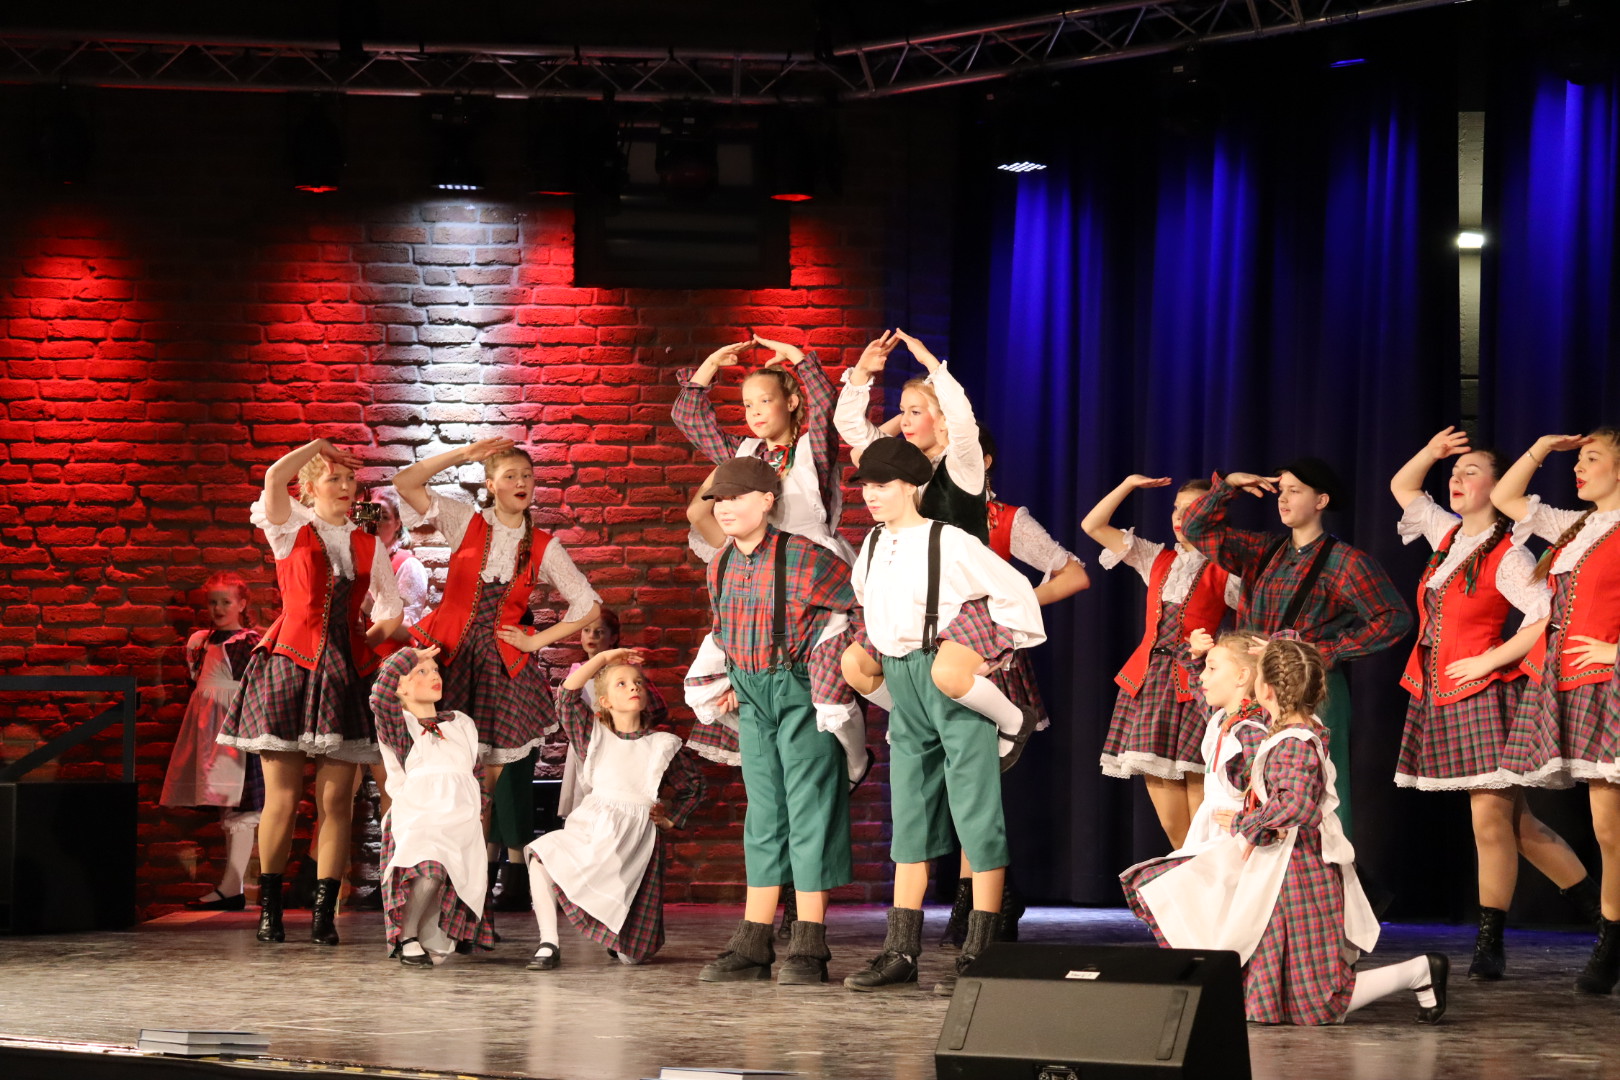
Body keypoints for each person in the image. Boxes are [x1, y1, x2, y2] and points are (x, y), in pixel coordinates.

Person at [1124, 639, 1449, 1025]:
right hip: (1282, 866)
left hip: (1301, 871)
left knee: (1317, 1002)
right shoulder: (1289, 733)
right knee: (1278, 989)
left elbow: (1296, 805)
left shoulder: (1293, 741)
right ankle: (1417, 973)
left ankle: (1419, 971)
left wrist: (1246, 823)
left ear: (1265, 689)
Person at [1390, 428, 1599, 979]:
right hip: (1441, 692)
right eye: (1455, 474)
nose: (1456, 480)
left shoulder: (1508, 554)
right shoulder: (1446, 536)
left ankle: (1490, 942)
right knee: (1519, 827)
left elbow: (1544, 616)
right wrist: (1431, 452)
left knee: (1491, 824)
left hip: (1485, 696)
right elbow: (1403, 487)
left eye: (1471, 472)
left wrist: (1488, 660)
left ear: (1496, 486)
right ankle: (1604, 922)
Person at [839, 438, 1045, 996]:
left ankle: (981, 949)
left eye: (882, 485)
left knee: (976, 818)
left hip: (945, 681)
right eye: (866, 485)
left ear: (912, 487)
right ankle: (900, 951)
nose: (871, 495)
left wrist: (990, 647)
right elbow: (870, 605)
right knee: (909, 822)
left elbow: (1014, 591)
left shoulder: (948, 540)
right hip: (905, 685)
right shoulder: (873, 543)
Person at [217, 437, 404, 947]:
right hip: (289, 667)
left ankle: (324, 914)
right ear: (311, 487)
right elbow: (273, 478)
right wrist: (319, 445)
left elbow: (391, 609)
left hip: (343, 677)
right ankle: (270, 911)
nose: (345, 487)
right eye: (333, 478)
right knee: (281, 799)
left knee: (337, 801)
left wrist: (363, 642)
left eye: (350, 480)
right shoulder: (289, 526)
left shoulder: (367, 544)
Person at [693, 457, 861, 986]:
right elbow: (723, 630)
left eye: (736, 497)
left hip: (802, 693)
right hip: (752, 696)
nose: (724, 507)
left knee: (810, 811)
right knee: (764, 816)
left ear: (767, 500)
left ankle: (809, 943)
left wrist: (832, 668)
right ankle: (754, 940)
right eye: (719, 499)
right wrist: (727, 680)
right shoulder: (719, 564)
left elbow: (860, 610)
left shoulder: (807, 557)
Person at [1180, 457, 1413, 831]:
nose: (1283, 499)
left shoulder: (1345, 562)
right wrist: (1229, 485)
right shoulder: (1263, 550)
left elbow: (1394, 618)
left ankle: (1322, 866)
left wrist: (1322, 652)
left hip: (1309, 687)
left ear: (1321, 501)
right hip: (1254, 685)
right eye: (1281, 491)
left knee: (1315, 792)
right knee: (1250, 786)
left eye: (1295, 491)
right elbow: (1196, 527)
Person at [392, 438, 602, 821]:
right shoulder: (465, 521)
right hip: (448, 657)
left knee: (488, 782)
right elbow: (405, 483)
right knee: (440, 765)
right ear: (491, 485)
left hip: (498, 668)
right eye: (510, 476)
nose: (521, 482)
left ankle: (487, 853)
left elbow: (589, 606)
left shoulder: (542, 545)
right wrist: (462, 454)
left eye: (527, 475)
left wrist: (536, 642)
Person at [937, 429, 1091, 949]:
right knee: (956, 783)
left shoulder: (1005, 520)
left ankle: (983, 901)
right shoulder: (929, 519)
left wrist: (1009, 608)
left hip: (990, 659)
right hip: (939, 657)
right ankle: (984, 896)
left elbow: (1073, 575)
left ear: (984, 460)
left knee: (980, 784)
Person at [1493, 427, 1620, 994]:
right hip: (1570, 684)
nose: (1579, 467)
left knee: (1611, 827)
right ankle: (1612, 938)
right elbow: (1505, 497)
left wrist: (1616, 650)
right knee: (1606, 828)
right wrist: (1543, 448)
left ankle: (1611, 942)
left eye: (1592, 458)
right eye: (1579, 459)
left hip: (1609, 683)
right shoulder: (1576, 526)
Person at [1083, 474, 1241, 847]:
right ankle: (1187, 874)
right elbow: (1093, 526)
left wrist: (1213, 648)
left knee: (1202, 805)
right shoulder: (1157, 558)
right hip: (1149, 683)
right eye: (1176, 508)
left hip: (1197, 684)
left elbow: (1255, 623)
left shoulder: (1225, 569)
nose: (1179, 516)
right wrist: (1126, 485)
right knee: (1172, 819)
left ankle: (1209, 875)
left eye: (1191, 509)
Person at [525, 648, 704, 970]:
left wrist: (670, 819)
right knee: (541, 856)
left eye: (638, 682)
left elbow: (693, 787)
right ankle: (548, 943)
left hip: (634, 840)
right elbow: (566, 697)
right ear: (604, 700)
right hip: (593, 829)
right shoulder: (593, 736)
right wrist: (605, 659)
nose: (633, 686)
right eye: (621, 683)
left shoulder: (662, 744)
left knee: (632, 957)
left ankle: (619, 938)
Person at [370, 645, 494, 967]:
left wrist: (480, 805)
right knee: (430, 869)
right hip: (420, 816)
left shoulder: (460, 723)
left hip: (459, 819)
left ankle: (434, 932)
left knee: (450, 879)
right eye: (421, 672)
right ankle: (407, 936)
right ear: (400, 686)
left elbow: (474, 770)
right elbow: (379, 697)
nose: (434, 676)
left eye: (435, 669)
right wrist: (408, 655)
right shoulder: (401, 726)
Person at [161, 572, 264, 911]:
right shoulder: (200, 641)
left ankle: (233, 886)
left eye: (226, 602)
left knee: (240, 804)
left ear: (242, 604)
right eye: (213, 602)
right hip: (207, 729)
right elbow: (196, 681)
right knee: (225, 801)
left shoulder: (248, 642)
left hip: (236, 728)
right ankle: (231, 886)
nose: (219, 609)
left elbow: (256, 687)